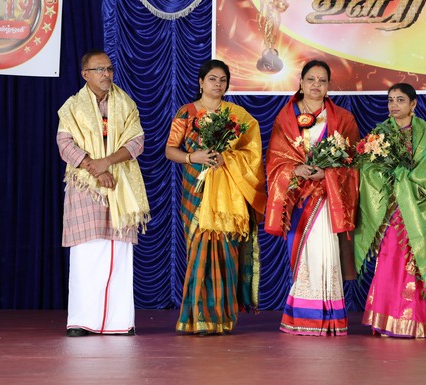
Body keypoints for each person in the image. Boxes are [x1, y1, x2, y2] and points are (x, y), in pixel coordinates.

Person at [165, 59, 267, 335]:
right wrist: (193, 157)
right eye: (212, 79)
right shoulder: (186, 113)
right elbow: (170, 150)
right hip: (195, 193)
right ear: (201, 82)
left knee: (226, 254)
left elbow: (252, 154)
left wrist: (227, 158)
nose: (218, 84)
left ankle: (221, 319)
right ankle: (197, 318)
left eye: (223, 80)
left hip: (227, 199)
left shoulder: (237, 116)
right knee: (200, 252)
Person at [57, 50, 151, 337]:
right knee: (86, 253)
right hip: (86, 185)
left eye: (109, 69)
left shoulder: (126, 103)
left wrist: (106, 163)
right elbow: (65, 144)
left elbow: (137, 142)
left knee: (118, 253)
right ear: (85, 74)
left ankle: (118, 322)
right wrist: (94, 168)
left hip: (120, 182)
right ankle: (81, 321)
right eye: (99, 69)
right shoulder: (72, 106)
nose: (106, 74)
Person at [265, 60, 360, 336]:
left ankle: (330, 318)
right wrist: (295, 170)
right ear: (301, 82)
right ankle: (302, 317)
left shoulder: (343, 118)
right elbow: (275, 159)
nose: (316, 84)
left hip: (328, 199)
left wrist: (327, 173)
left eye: (322, 80)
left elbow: (355, 163)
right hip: (297, 198)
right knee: (305, 256)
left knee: (326, 255)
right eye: (311, 79)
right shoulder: (286, 116)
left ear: (328, 85)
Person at [354, 83, 426, 338]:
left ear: (413, 104)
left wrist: (403, 180)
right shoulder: (379, 134)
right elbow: (367, 171)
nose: (394, 105)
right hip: (389, 210)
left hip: (416, 211)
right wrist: (387, 178)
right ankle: (385, 321)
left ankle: (411, 322)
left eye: (400, 100)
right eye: (390, 100)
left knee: (412, 262)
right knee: (388, 260)